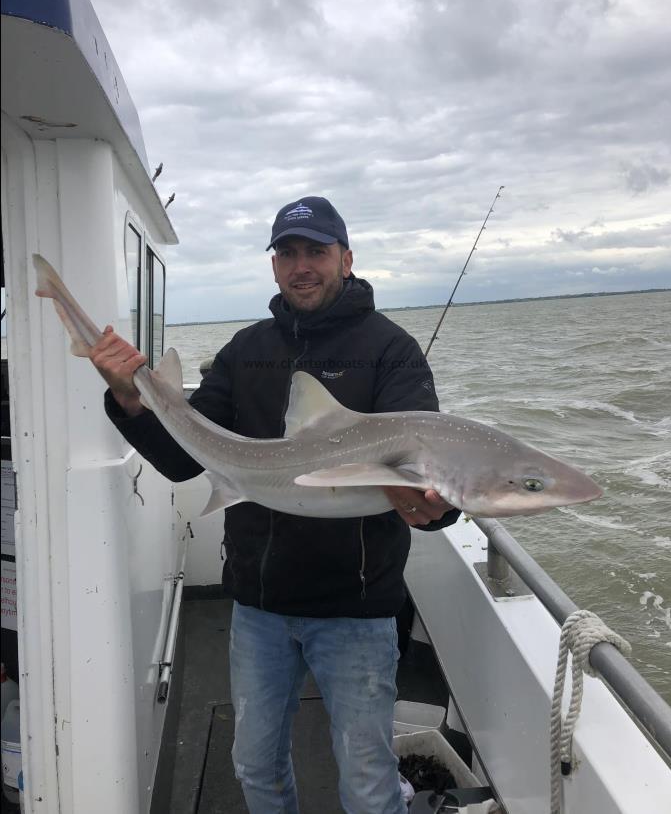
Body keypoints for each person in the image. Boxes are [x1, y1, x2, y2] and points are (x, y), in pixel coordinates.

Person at [91, 196, 460, 814]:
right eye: (287, 253)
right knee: (255, 767)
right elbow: (186, 457)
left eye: (316, 251)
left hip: (357, 608)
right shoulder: (245, 351)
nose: (301, 265)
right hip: (259, 606)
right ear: (273, 266)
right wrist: (131, 400)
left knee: (369, 782)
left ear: (346, 257)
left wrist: (437, 509)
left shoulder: (389, 350)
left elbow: (432, 467)